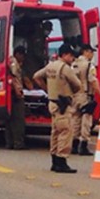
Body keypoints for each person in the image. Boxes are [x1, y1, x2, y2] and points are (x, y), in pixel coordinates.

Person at [33, 43, 82, 173]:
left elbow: (36, 76)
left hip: (52, 102)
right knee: (66, 132)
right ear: (65, 55)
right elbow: (78, 84)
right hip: (63, 103)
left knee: (55, 132)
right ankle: (61, 160)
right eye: (71, 56)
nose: (72, 59)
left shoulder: (51, 66)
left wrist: (47, 89)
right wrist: (71, 91)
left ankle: (54, 159)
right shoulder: (65, 68)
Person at [71, 44, 100, 155]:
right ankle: (83, 145)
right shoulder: (89, 65)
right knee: (86, 121)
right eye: (91, 52)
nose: (92, 55)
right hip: (85, 95)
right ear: (86, 52)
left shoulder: (74, 64)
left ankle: (74, 144)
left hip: (74, 95)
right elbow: (93, 81)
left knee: (75, 120)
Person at [5, 46, 27, 150]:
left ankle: (9, 143)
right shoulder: (14, 63)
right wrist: (18, 90)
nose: (23, 58)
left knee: (9, 120)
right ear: (18, 54)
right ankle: (18, 143)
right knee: (18, 120)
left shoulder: (12, 62)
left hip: (10, 94)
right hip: (16, 94)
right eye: (22, 55)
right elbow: (13, 77)